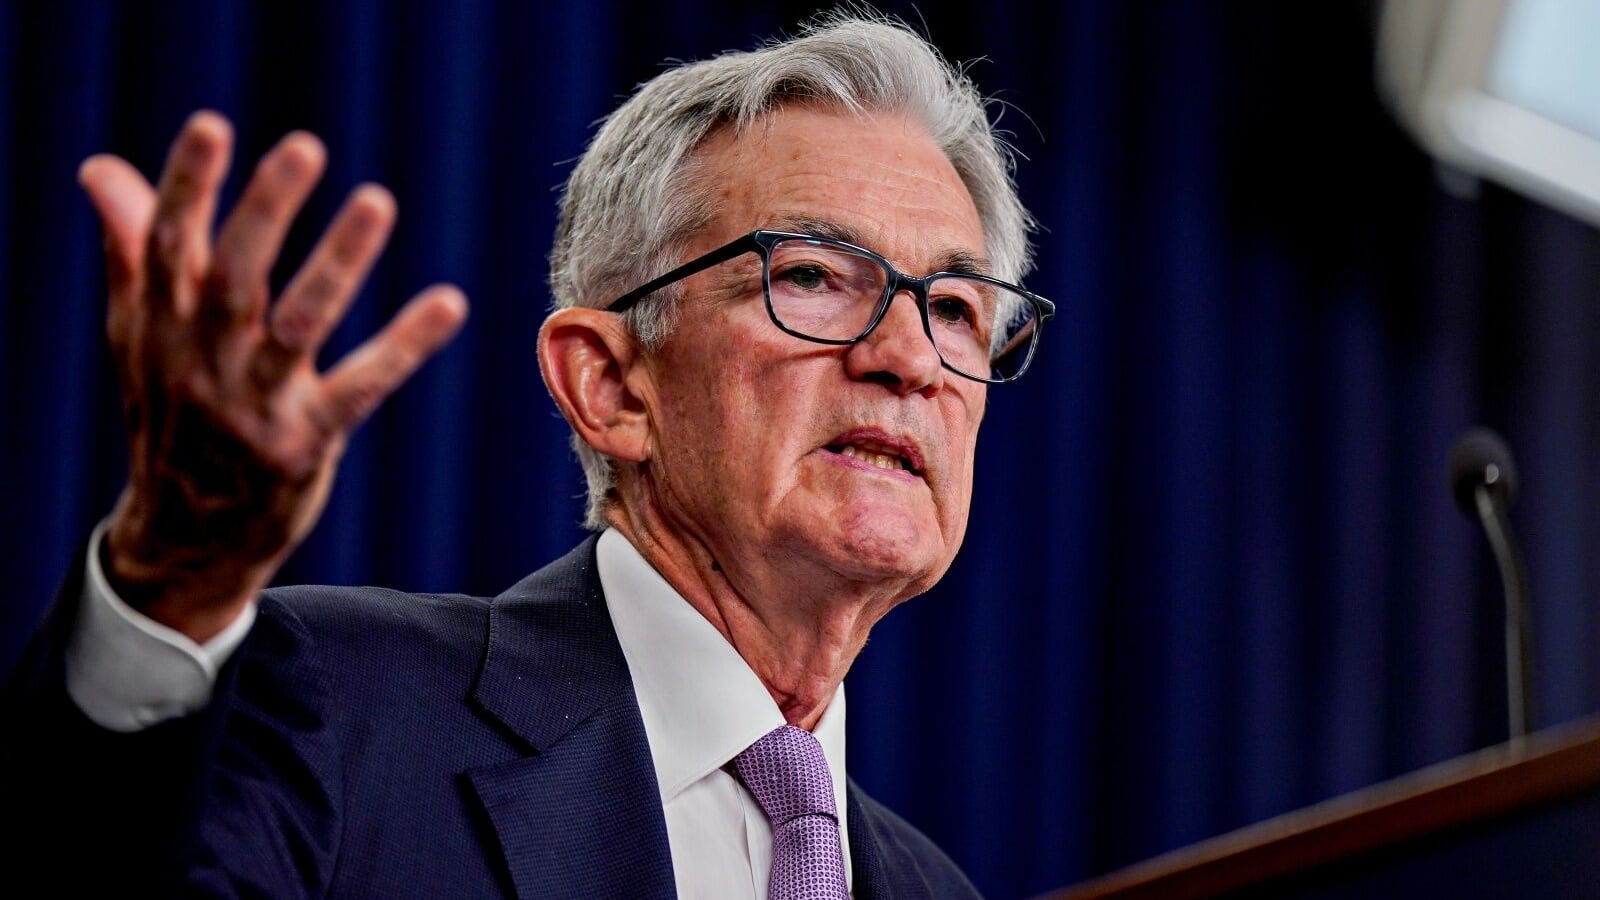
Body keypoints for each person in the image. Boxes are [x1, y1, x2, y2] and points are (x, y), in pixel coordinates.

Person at [3, 11, 1052, 898]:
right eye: (817, 276)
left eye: (957, 308)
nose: (911, 356)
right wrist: (173, 577)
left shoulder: (931, 886)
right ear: (609, 385)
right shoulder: (335, 710)